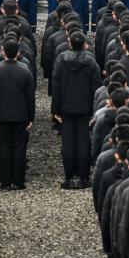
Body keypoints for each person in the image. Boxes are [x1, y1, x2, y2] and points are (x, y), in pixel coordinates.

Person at [51, 31, 101, 189]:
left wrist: (55, 110)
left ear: (69, 43)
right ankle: (84, 177)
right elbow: (96, 88)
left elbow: (56, 86)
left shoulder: (61, 60)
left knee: (67, 143)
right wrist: (94, 111)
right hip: (85, 109)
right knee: (83, 143)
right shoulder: (91, 63)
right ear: (85, 45)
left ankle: (69, 176)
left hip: (65, 108)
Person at [0, 39, 35, 191]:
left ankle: (5, 181)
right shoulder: (25, 71)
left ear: (3, 51)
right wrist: (31, 117)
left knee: (4, 148)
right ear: (18, 52)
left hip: (2, 116)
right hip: (21, 115)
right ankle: (19, 181)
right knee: (20, 148)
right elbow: (30, 97)